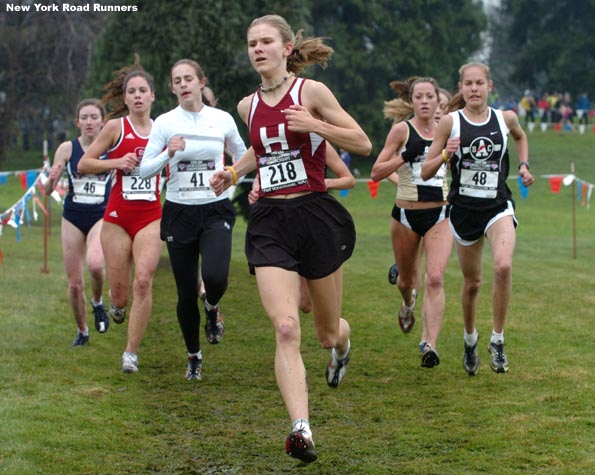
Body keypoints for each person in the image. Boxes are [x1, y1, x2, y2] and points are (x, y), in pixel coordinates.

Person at [210, 14, 371, 463]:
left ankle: (343, 346)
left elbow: (361, 142)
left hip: (315, 216)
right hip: (270, 221)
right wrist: (234, 172)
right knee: (285, 327)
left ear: (286, 48)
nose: (257, 49)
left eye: (266, 42)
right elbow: (261, 149)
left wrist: (316, 125)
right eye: (251, 43)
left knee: (325, 332)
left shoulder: (311, 93)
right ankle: (301, 429)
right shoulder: (247, 106)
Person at [421, 62, 534, 376]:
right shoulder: (450, 124)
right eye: (468, 84)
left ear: (489, 86)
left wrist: (524, 166)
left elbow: (521, 137)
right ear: (460, 87)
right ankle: (470, 339)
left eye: (479, 83)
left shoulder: (504, 118)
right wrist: (446, 154)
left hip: (498, 205)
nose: (473, 89)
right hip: (464, 211)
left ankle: (497, 339)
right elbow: (427, 170)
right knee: (472, 284)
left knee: (503, 265)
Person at [139, 59, 247, 381]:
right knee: (185, 293)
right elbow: (145, 170)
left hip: (214, 209)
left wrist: (229, 175)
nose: (184, 84)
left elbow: (243, 162)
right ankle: (194, 355)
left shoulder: (222, 119)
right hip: (179, 211)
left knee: (215, 277)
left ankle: (212, 308)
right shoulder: (165, 123)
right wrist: (168, 154)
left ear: (201, 82)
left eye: (189, 78)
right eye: (177, 80)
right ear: (172, 88)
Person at [79, 58, 163, 374]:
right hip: (117, 217)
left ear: (153, 95)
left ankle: (130, 353)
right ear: (125, 98)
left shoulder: (163, 128)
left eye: (143, 90)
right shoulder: (116, 127)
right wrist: (117, 162)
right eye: (132, 91)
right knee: (121, 291)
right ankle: (115, 304)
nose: (138, 96)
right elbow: (84, 164)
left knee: (143, 280)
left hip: (151, 216)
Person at [371, 77, 453, 368]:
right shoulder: (401, 131)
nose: (425, 102)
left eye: (430, 96)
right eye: (419, 97)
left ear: (438, 100)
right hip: (406, 214)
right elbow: (376, 172)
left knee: (435, 277)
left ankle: (429, 343)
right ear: (412, 101)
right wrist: (405, 155)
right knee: (408, 281)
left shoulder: (451, 131)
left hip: (440, 214)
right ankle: (407, 304)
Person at [248, 145, 356, 314]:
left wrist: (326, 182)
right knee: (304, 305)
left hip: (315, 222)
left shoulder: (319, 142)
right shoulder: (275, 144)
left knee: (309, 306)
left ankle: (342, 337)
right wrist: (255, 190)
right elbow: (261, 176)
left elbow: (349, 179)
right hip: (280, 226)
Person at [44, 98, 111, 346]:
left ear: (103, 121)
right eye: (84, 117)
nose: (89, 122)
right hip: (72, 216)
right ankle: (82, 331)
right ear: (77, 122)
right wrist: (51, 179)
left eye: (94, 117)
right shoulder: (66, 149)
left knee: (94, 264)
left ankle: (97, 303)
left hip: (100, 214)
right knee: (73, 284)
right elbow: (48, 188)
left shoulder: (110, 147)